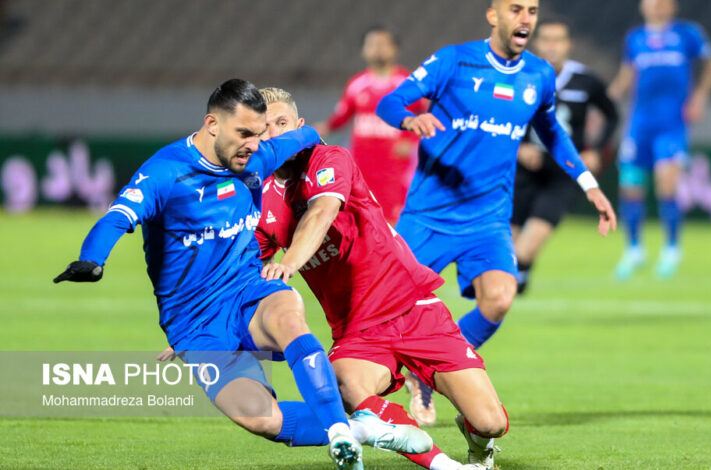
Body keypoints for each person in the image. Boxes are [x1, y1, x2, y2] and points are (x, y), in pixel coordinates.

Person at [53, 79, 430, 470]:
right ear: (212, 124)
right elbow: (117, 218)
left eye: (261, 133)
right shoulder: (166, 173)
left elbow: (308, 134)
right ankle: (361, 429)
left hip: (248, 290)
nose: (255, 144)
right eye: (245, 133)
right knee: (260, 417)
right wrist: (92, 258)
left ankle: (337, 430)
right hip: (194, 323)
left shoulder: (258, 156)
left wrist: (313, 141)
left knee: (286, 317)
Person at [376, 0, 617, 425]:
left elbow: (554, 136)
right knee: (380, 311)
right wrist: (410, 122)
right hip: (430, 214)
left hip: (487, 221)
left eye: (532, 10)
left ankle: (429, 374)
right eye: (516, 9)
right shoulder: (454, 61)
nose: (525, 18)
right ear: (494, 16)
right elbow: (391, 102)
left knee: (501, 297)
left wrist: (590, 186)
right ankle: (353, 402)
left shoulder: (539, 75)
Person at [256, 87, 506, 470]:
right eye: (264, 128)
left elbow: (321, 213)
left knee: (491, 422)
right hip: (358, 330)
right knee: (341, 383)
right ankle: (439, 462)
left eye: (282, 123)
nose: (274, 134)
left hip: (414, 308)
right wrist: (205, 327)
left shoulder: (330, 158)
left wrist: (289, 262)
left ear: (299, 126)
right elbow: (239, 276)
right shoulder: (261, 203)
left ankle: (478, 442)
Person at [609, 0, 711, 279]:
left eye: (663, 1)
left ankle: (672, 248)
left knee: (666, 183)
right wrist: (606, 103)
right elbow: (627, 75)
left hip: (671, 124)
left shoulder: (687, 34)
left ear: (673, 6)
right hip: (639, 125)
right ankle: (634, 249)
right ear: (642, 6)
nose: (657, 5)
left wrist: (699, 98)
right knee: (630, 186)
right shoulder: (635, 38)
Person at [512, 21, 619, 294]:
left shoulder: (586, 81)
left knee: (526, 249)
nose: (552, 45)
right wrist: (520, 147)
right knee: (505, 252)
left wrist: (596, 149)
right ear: (535, 43)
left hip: (562, 173)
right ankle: (511, 289)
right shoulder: (517, 75)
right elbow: (500, 116)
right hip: (522, 171)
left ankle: (518, 281)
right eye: (546, 39)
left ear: (568, 44)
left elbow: (612, 115)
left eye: (558, 40)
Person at [314, 26, 425, 225]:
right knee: (361, 215)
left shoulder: (407, 82)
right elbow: (341, 117)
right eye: (373, 44)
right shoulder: (357, 84)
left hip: (395, 165)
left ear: (394, 49)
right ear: (364, 50)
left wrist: (411, 140)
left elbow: (425, 116)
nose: (378, 49)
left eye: (383, 44)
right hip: (362, 163)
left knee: (395, 217)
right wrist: (322, 130)